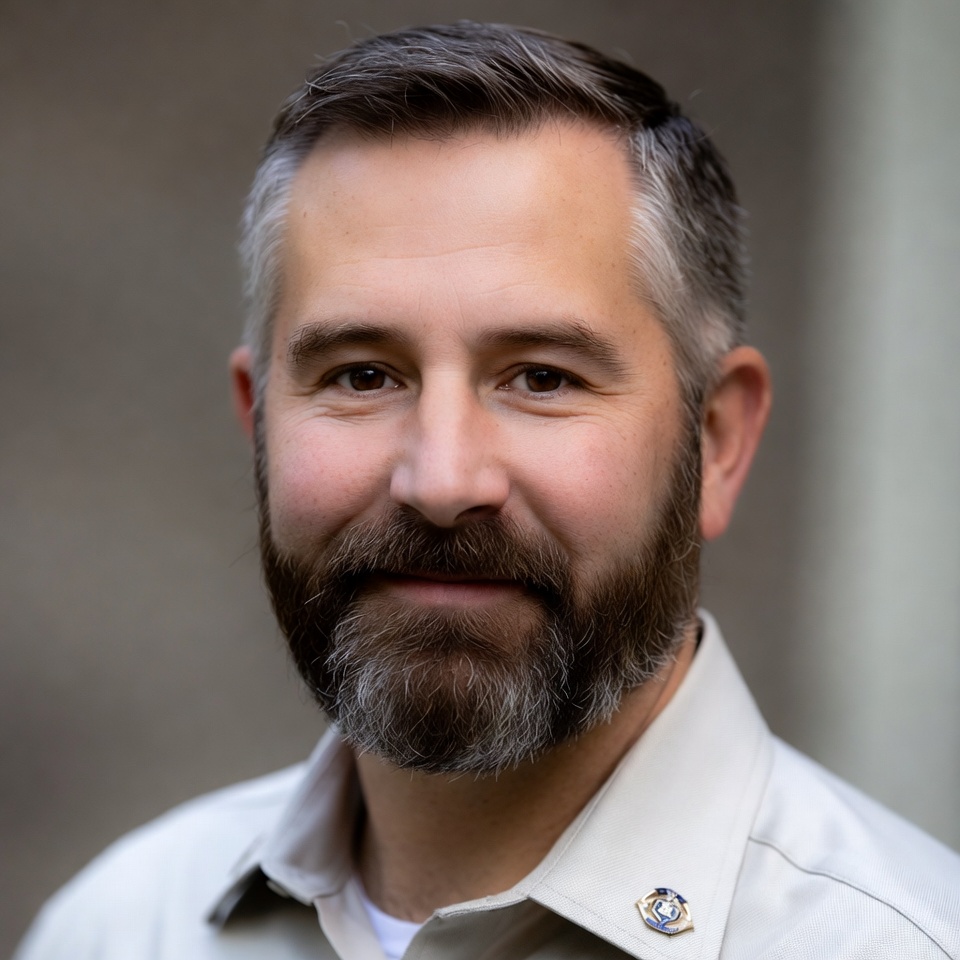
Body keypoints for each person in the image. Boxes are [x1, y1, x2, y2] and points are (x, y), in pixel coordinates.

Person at [15, 21, 960, 960]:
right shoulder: (116, 929)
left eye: (543, 377)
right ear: (258, 420)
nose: (441, 481)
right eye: (361, 375)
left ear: (715, 442)